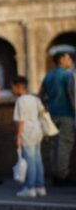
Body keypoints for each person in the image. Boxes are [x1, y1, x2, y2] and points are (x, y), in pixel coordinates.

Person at [39, 48, 75, 185]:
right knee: (64, 145)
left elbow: (41, 95)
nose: (70, 61)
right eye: (68, 58)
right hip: (66, 114)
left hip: (52, 114)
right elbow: (72, 95)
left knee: (54, 145)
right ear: (61, 60)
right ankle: (62, 176)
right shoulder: (68, 75)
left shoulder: (48, 76)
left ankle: (55, 174)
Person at [12, 77, 46, 198]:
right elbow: (43, 112)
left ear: (18, 87)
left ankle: (30, 187)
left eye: (13, 87)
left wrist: (18, 136)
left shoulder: (20, 101)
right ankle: (40, 187)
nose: (12, 89)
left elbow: (20, 121)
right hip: (37, 131)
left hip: (27, 133)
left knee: (30, 161)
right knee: (38, 160)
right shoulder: (35, 98)